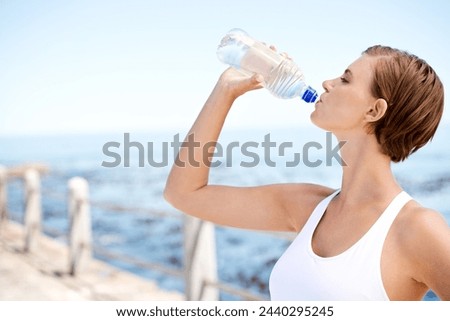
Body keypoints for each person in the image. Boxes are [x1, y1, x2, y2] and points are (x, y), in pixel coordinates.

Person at [164, 45, 450, 300]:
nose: (327, 83)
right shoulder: (308, 206)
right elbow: (183, 194)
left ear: (374, 110)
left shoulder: (416, 229)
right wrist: (225, 90)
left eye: (345, 79)